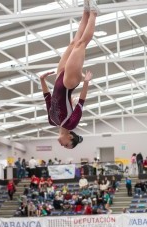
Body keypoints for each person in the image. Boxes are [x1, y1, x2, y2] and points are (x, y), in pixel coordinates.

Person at [39, 0, 99, 149]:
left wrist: (42, 80)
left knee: (73, 43)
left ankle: (86, 11)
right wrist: (86, 82)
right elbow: (81, 102)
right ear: (70, 137)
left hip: (59, 78)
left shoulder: (52, 121)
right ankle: (94, 13)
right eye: (67, 145)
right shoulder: (71, 122)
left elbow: (48, 99)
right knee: (81, 44)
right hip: (68, 83)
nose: (62, 145)